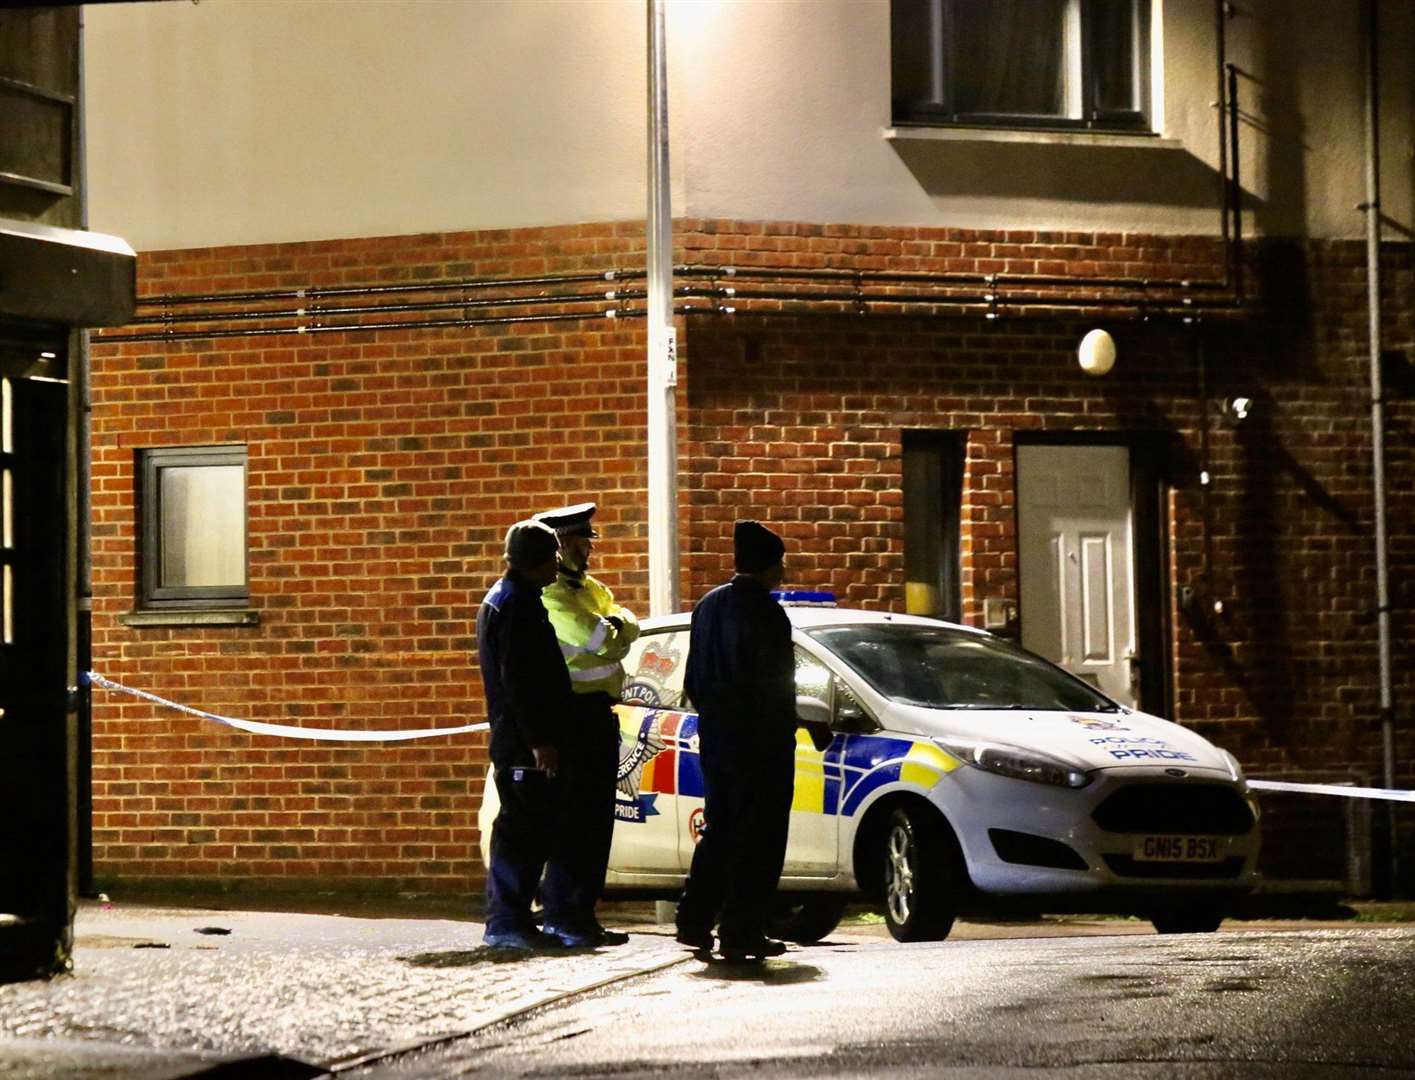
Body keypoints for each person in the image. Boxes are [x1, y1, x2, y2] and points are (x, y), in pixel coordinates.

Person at [674, 519, 796, 961]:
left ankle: (693, 919)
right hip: (761, 744)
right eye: (780, 562)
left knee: (721, 831)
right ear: (768, 565)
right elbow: (776, 685)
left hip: (718, 739)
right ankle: (742, 928)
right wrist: (798, 725)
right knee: (760, 839)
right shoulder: (767, 612)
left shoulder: (708, 606)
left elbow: (693, 679)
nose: (783, 571)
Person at [532, 501, 639, 947]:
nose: (587, 550)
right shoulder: (554, 594)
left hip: (599, 717)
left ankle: (583, 916)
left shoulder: (590, 589)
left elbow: (628, 621)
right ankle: (562, 916)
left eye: (588, 541)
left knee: (597, 823)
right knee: (573, 824)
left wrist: (618, 626)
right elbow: (602, 641)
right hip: (572, 719)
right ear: (559, 544)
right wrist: (616, 628)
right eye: (579, 542)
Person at [476, 519, 578, 951]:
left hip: (519, 739)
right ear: (536, 561)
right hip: (523, 744)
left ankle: (514, 920)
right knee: (521, 832)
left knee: (527, 830)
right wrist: (540, 740)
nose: (559, 564)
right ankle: (506, 922)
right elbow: (520, 681)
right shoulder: (517, 605)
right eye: (553, 557)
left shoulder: (512, 599)